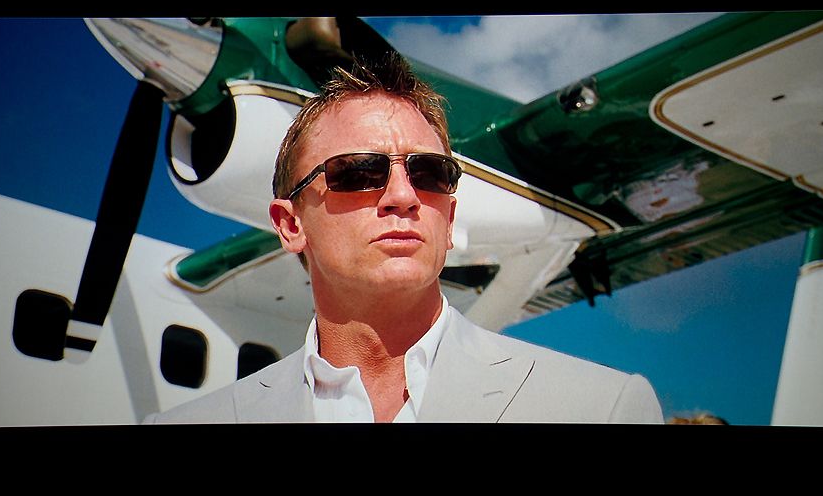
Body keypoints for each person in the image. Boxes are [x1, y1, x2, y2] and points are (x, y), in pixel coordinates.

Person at [145, 53, 664, 424]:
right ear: (290, 224)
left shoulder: (606, 409)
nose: (403, 195)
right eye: (357, 171)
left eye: (431, 173)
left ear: (450, 217)